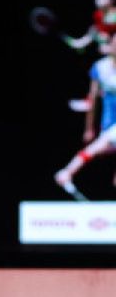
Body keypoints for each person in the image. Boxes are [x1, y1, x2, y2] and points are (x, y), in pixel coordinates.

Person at [54, 38, 116, 200]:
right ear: (110, 46)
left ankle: (67, 171)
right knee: (98, 148)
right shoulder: (100, 68)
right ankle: (67, 172)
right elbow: (93, 100)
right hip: (108, 125)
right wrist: (89, 128)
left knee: (98, 148)